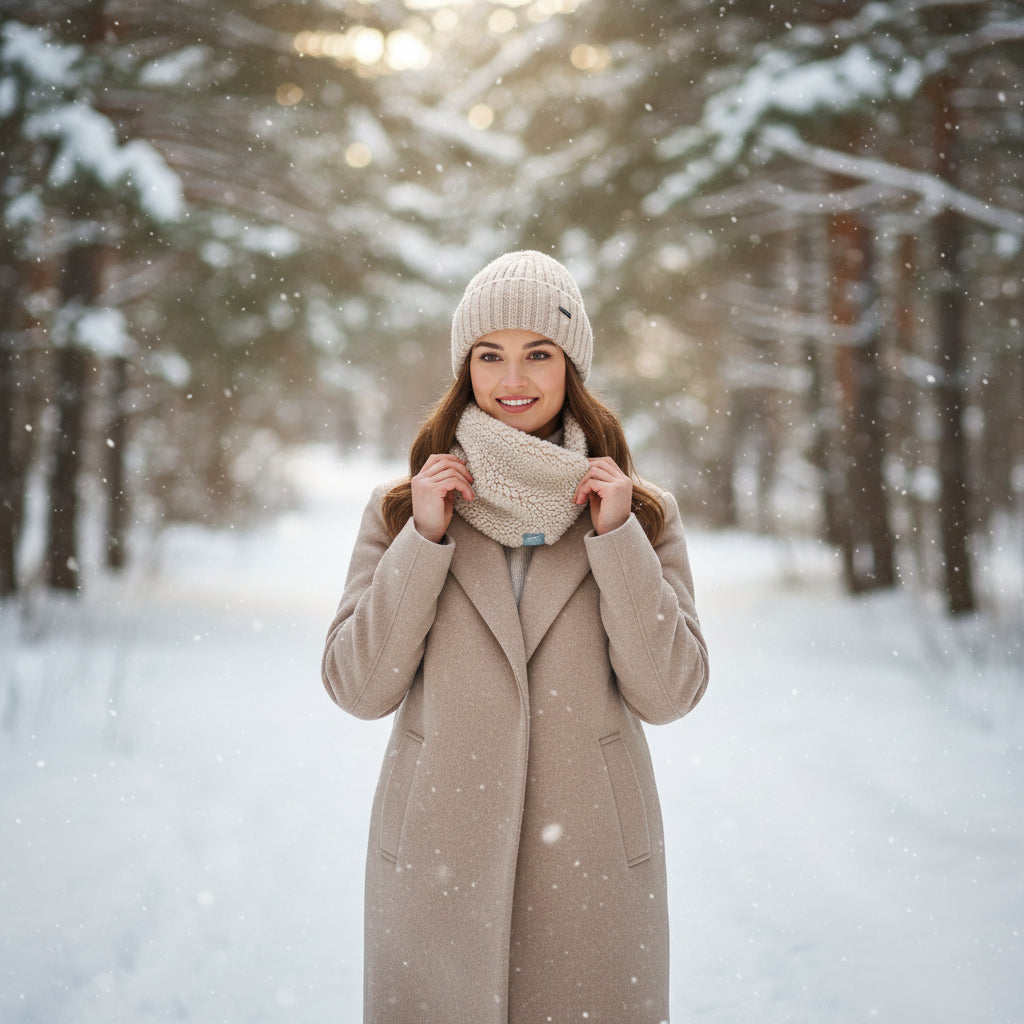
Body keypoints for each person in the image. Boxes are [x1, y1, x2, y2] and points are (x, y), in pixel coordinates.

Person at [321, 250, 709, 1024]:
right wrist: (422, 543)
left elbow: (670, 694)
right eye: (490, 355)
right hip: (437, 859)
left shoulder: (639, 512)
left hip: (593, 867)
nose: (514, 379)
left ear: (572, 366)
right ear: (465, 369)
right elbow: (358, 689)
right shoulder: (405, 508)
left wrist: (617, 539)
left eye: (539, 352)